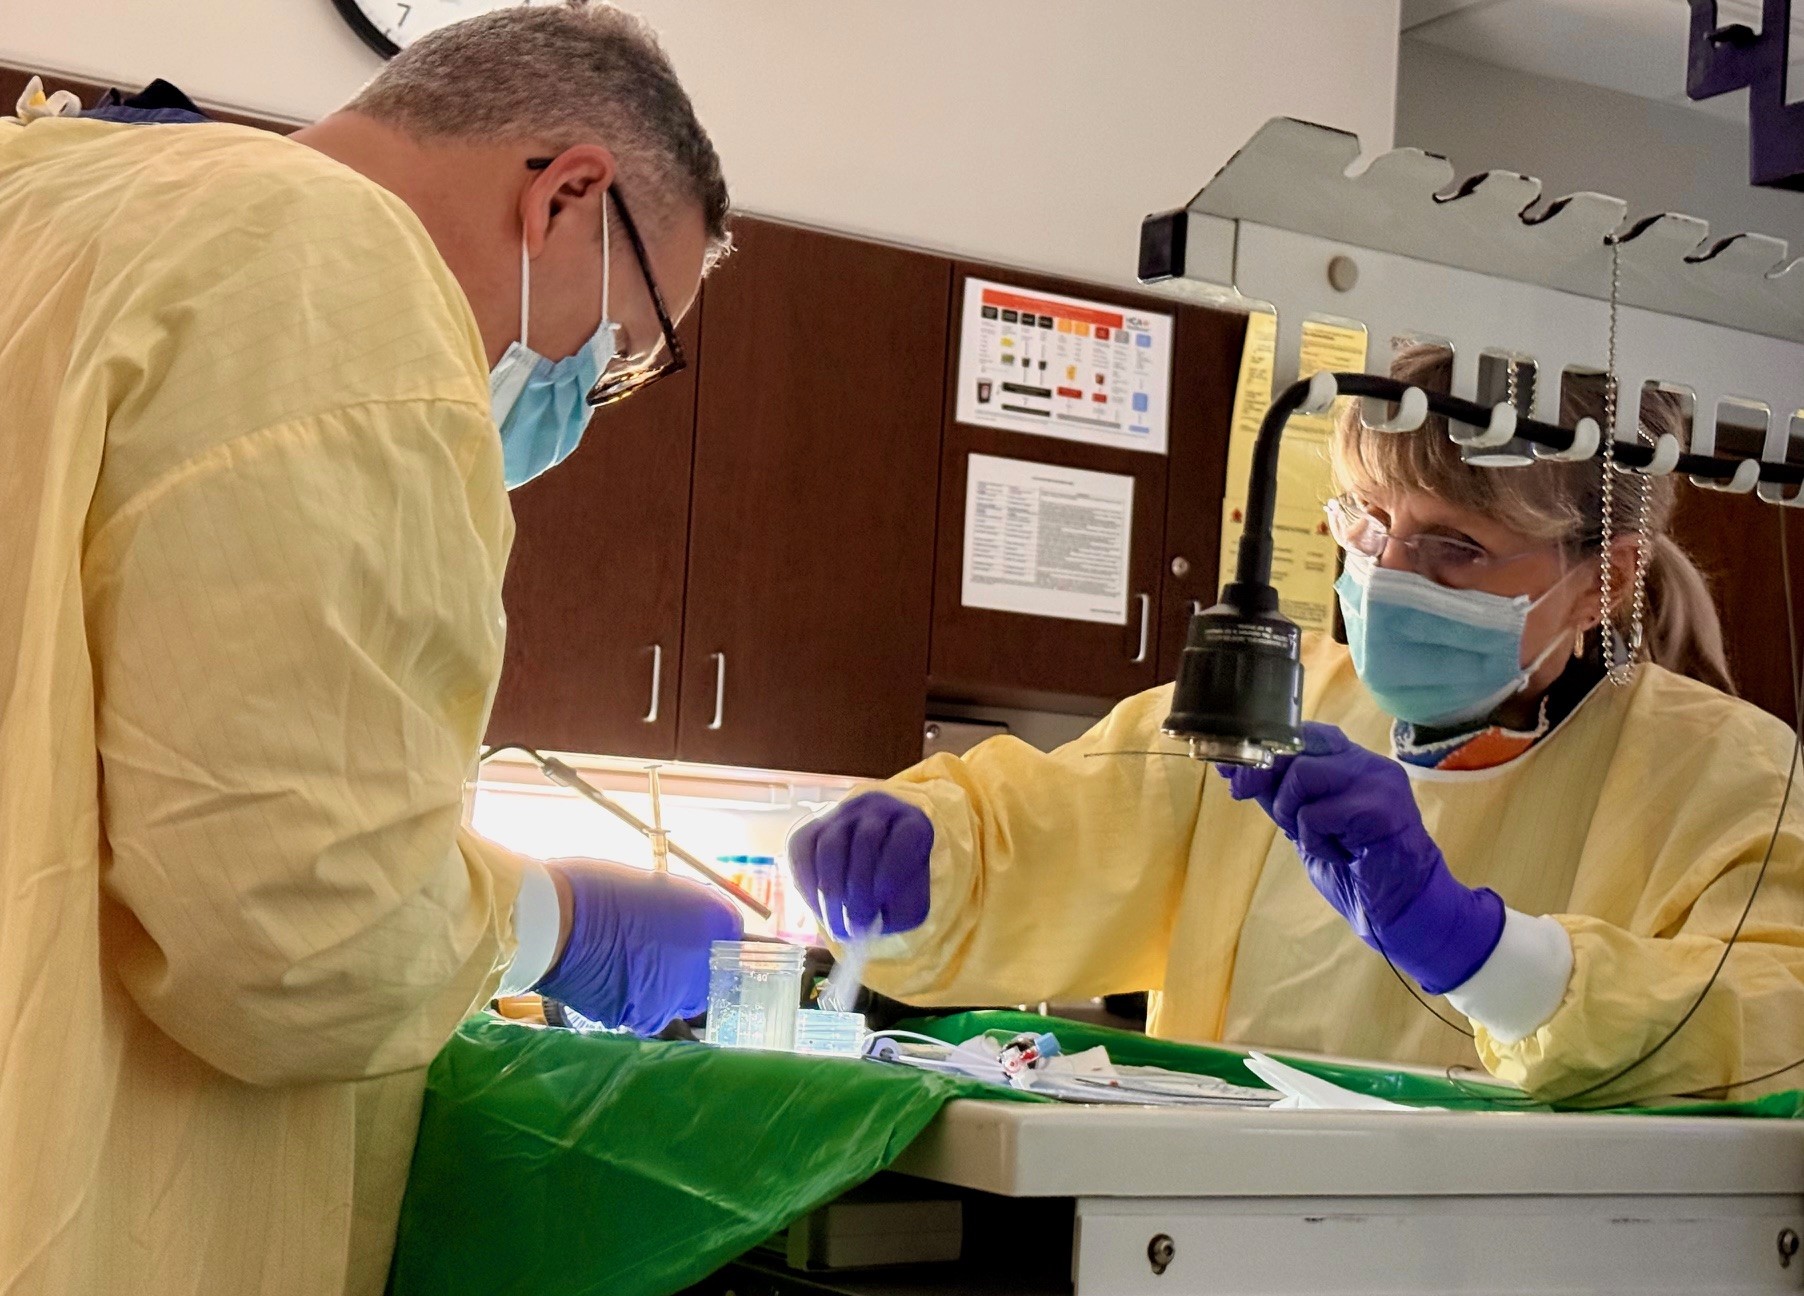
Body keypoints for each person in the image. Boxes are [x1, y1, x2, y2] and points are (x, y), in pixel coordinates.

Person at [0, 6, 741, 1293]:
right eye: (620, 352)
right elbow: (297, 934)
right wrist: (557, 921)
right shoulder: (332, 269)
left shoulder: (51, 196)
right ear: (568, 195)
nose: (586, 396)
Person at [795, 347, 1804, 1105]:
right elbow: (1054, 835)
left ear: (1607, 579)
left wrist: (1485, 955)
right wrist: (927, 852)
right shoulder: (1273, 713)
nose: (1389, 573)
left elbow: (1768, 1025)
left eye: (1453, 546)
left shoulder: (1731, 779)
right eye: (1367, 518)